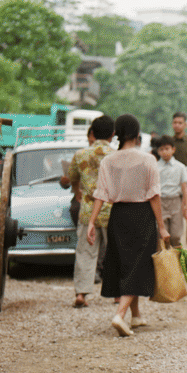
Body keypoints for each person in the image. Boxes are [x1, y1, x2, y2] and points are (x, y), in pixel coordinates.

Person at [87, 114, 171, 336]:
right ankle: (120, 315)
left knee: (126, 264)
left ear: (116, 134)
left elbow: (101, 194)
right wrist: (161, 227)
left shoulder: (109, 160)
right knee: (139, 264)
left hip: (118, 215)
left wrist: (91, 223)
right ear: (137, 133)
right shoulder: (148, 160)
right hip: (142, 216)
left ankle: (136, 316)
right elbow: (154, 196)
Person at [62, 116, 115, 308]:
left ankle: (82, 294)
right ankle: (117, 294)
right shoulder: (116, 155)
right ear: (113, 134)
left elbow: (72, 177)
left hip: (87, 210)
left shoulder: (81, 154)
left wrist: (78, 192)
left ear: (92, 133)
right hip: (111, 211)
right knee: (114, 253)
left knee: (85, 252)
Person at [157, 136, 187, 248]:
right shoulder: (155, 167)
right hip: (160, 202)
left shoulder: (180, 167)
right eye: (161, 149)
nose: (164, 152)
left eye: (167, 148)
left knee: (176, 235)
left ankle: (177, 260)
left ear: (173, 149)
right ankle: (166, 262)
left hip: (176, 202)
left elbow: (184, 188)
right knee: (163, 235)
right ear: (158, 151)